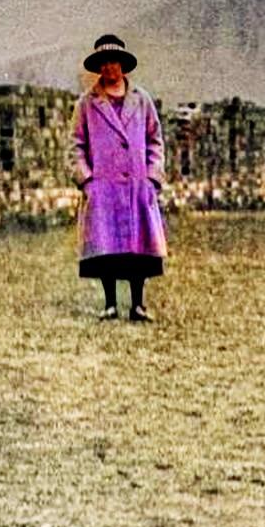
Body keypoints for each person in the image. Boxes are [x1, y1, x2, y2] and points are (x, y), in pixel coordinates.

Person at [68, 33, 167, 322]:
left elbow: (155, 140)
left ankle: (138, 305)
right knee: (106, 244)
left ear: (123, 65)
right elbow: (76, 144)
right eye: (105, 63)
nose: (110, 68)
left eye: (115, 62)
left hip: (137, 185)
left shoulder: (142, 100)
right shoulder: (87, 103)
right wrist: (86, 179)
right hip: (104, 186)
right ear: (98, 68)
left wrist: (152, 177)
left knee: (139, 247)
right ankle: (110, 304)